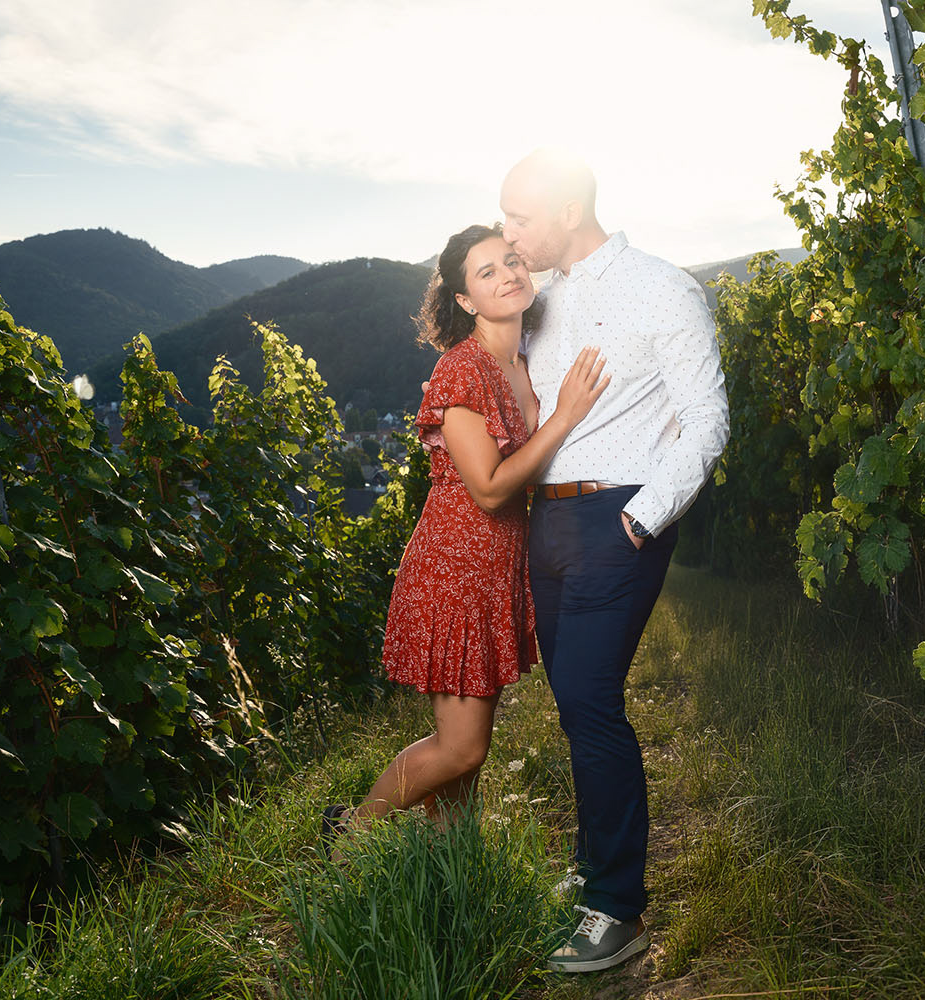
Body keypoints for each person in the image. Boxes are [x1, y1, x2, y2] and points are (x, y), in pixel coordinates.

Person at [500, 149, 729, 974]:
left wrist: (639, 520)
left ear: (568, 210)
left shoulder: (663, 288)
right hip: (549, 524)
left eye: (520, 217)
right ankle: (595, 865)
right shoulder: (540, 303)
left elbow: (707, 418)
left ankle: (618, 909)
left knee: (593, 702)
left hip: (618, 518)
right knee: (574, 704)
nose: (508, 233)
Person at [325, 223, 609, 839]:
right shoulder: (462, 369)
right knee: (462, 747)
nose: (508, 275)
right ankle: (348, 838)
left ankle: (451, 862)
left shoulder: (523, 361)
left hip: (494, 567)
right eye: (487, 272)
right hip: (455, 566)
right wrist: (563, 418)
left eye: (511, 261)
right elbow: (489, 487)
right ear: (464, 300)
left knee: (466, 757)